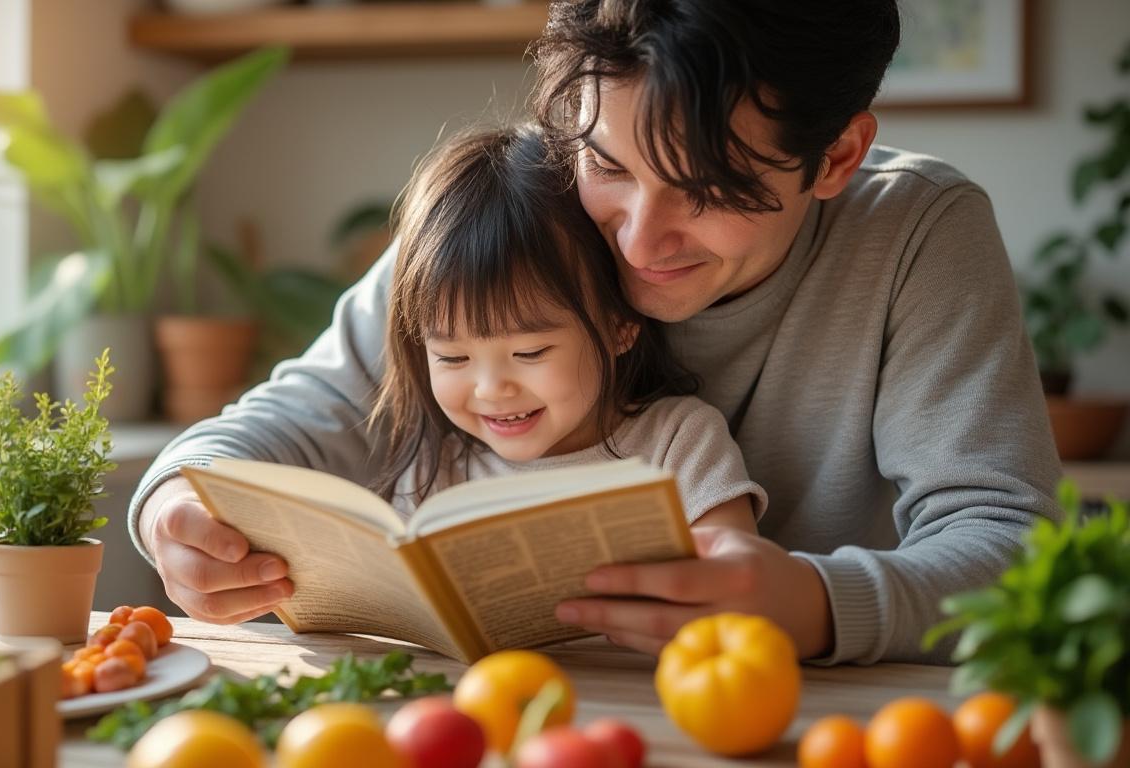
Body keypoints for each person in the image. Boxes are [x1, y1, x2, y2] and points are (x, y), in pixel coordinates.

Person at [130, 0, 1061, 664]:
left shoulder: (916, 232)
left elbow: (1010, 544)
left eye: (707, 190)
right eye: (607, 166)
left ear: (838, 156)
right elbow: (293, 414)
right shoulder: (527, 200)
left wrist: (813, 602)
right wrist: (174, 505)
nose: (639, 239)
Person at [372, 124, 764, 536]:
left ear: (619, 326)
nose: (490, 389)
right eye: (453, 358)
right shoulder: (434, 474)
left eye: (529, 353)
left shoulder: (677, 443)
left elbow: (734, 571)